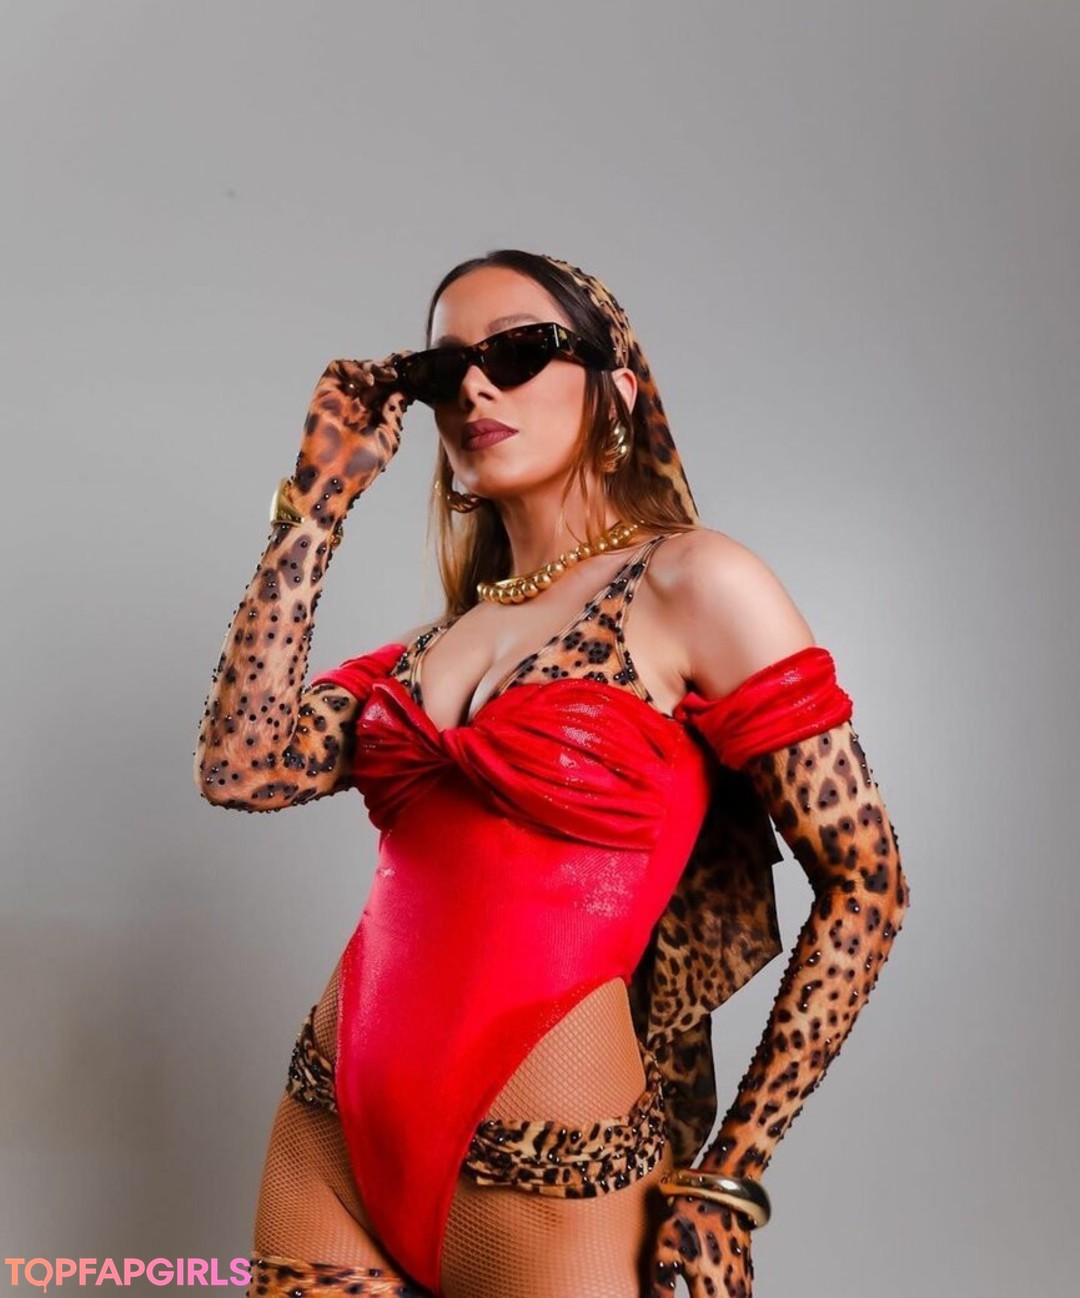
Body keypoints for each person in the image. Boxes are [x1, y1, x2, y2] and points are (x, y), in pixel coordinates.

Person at [194, 249, 909, 1298]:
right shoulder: (432, 647)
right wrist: (316, 502)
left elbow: (867, 883)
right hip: (330, 1133)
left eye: (520, 352)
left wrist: (729, 1179)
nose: (476, 389)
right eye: (445, 370)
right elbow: (240, 763)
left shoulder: (693, 583)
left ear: (615, 387)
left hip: (549, 1171)